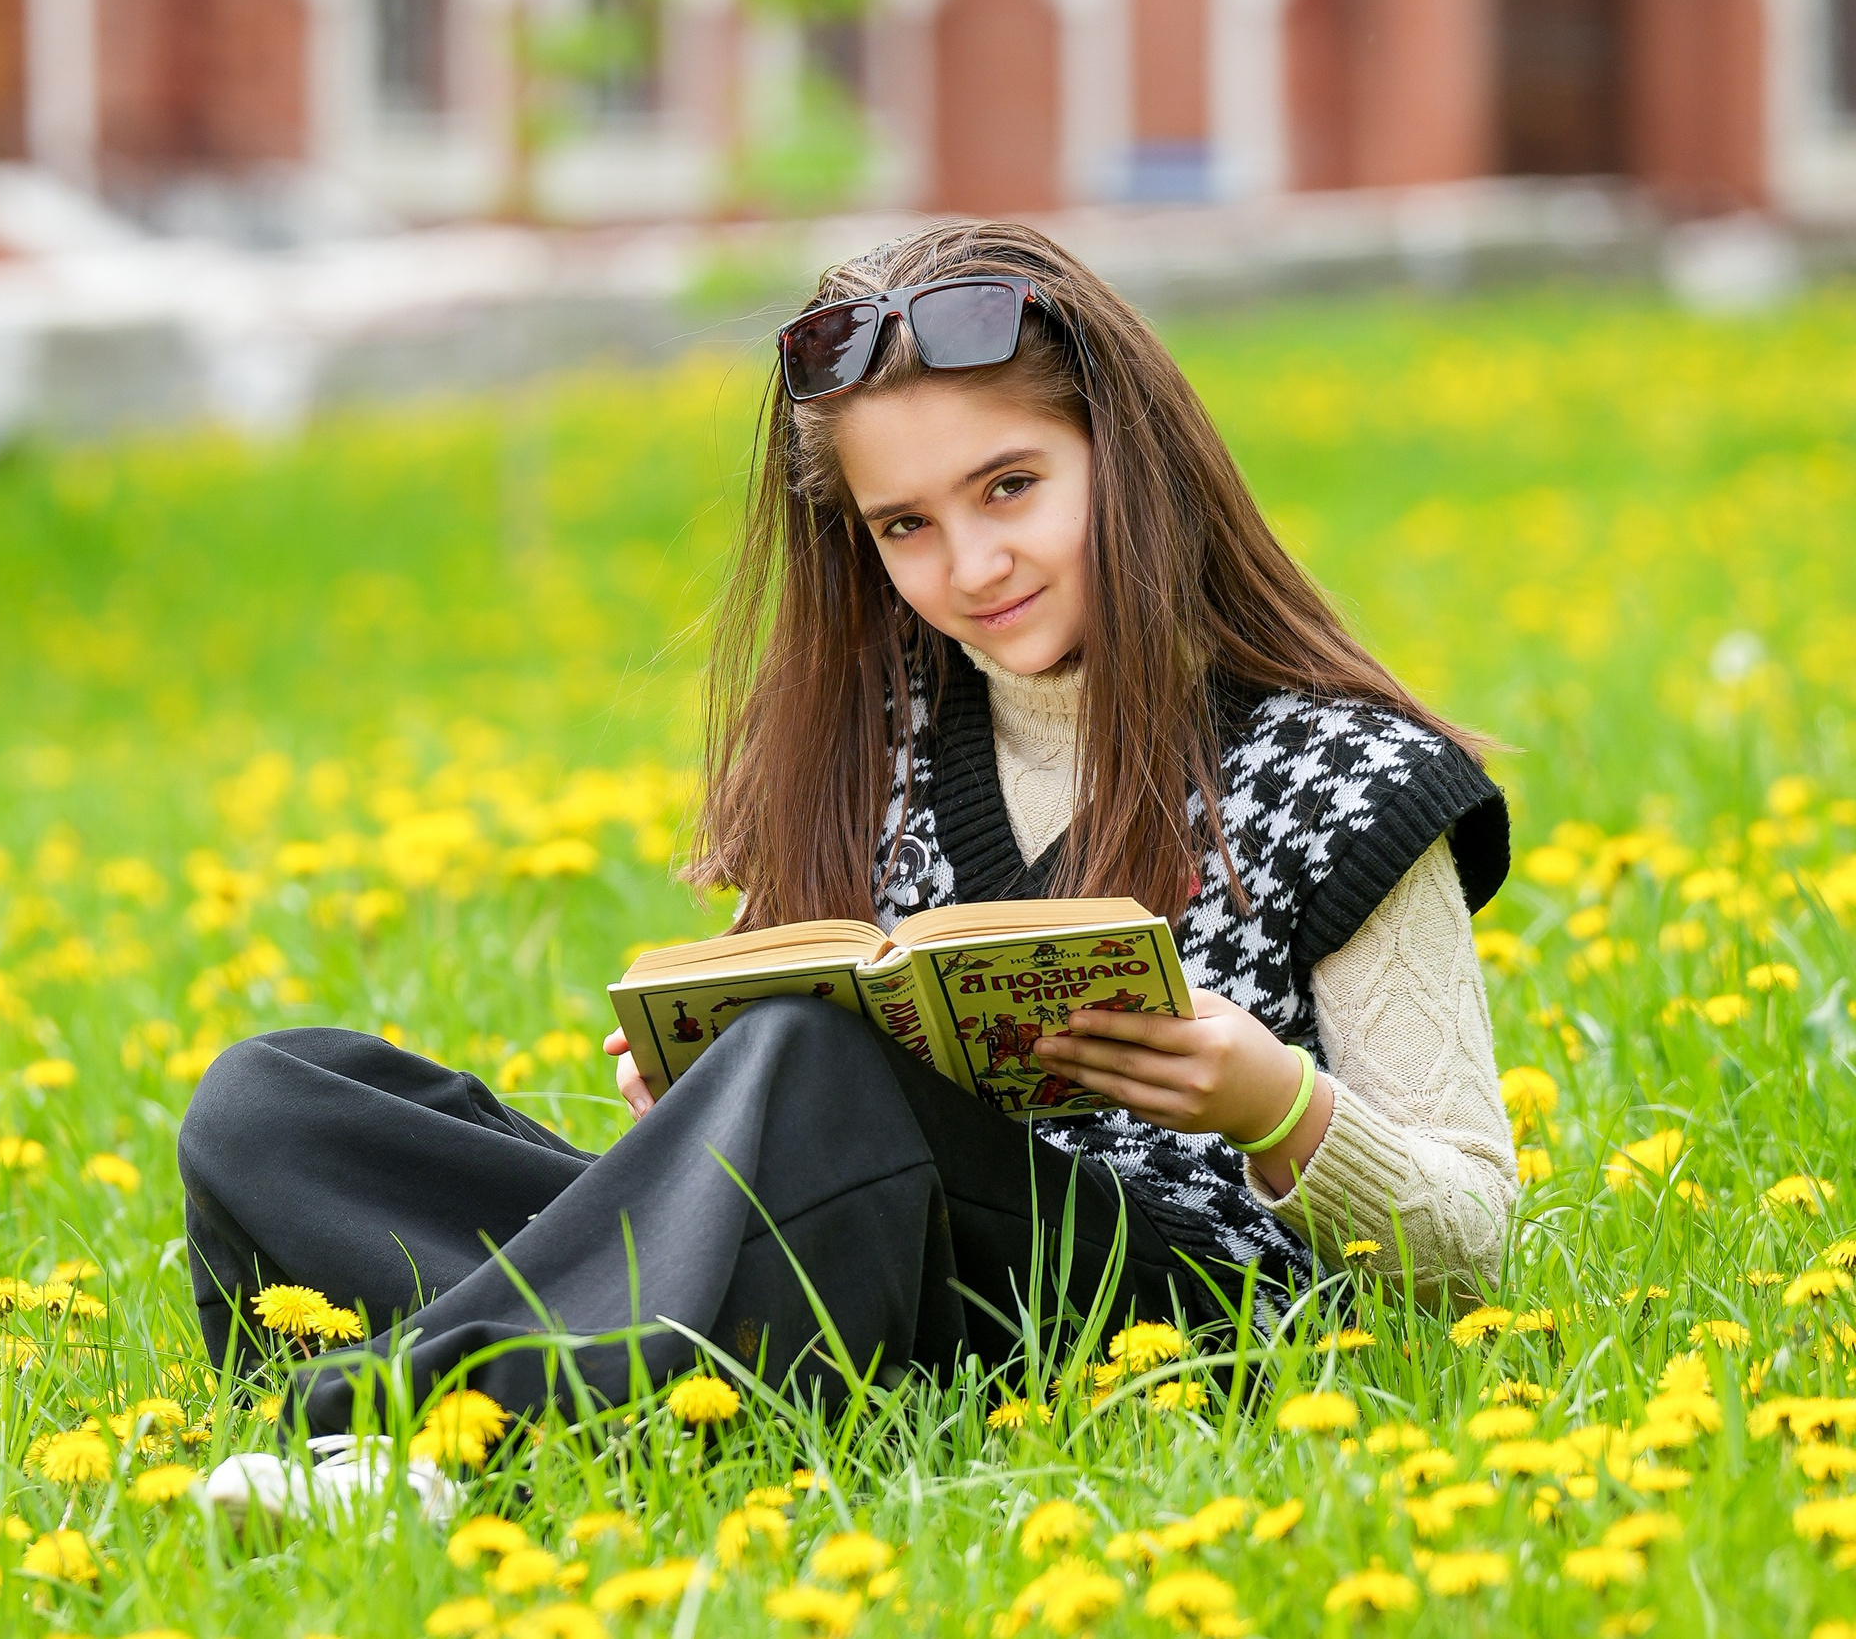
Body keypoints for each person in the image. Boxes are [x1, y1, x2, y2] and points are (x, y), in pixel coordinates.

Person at [178, 221, 1516, 1434]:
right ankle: (570, 1367)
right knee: (275, 1105)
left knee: (815, 1068)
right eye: (906, 525)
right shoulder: (872, 747)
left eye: (1011, 487)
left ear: (1130, 455)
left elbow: (1471, 1238)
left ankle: (422, 1417)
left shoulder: (1348, 776)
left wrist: (1274, 1103)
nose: (972, 565)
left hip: (1163, 1317)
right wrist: (705, 1102)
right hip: (867, 1270)